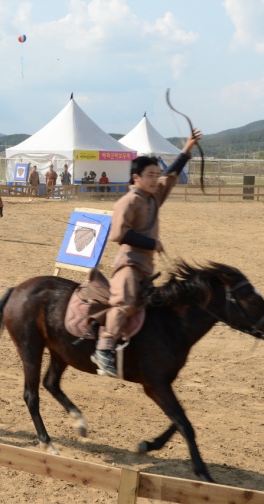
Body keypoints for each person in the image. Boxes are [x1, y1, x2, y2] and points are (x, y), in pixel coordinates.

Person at [91, 129, 202, 378]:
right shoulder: (128, 201)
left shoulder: (153, 197)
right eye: (150, 175)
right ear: (136, 177)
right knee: (125, 302)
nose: (155, 179)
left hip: (146, 268)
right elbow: (118, 234)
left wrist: (187, 149)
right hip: (129, 264)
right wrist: (153, 244)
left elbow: (171, 175)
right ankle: (104, 349)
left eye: (156, 174)